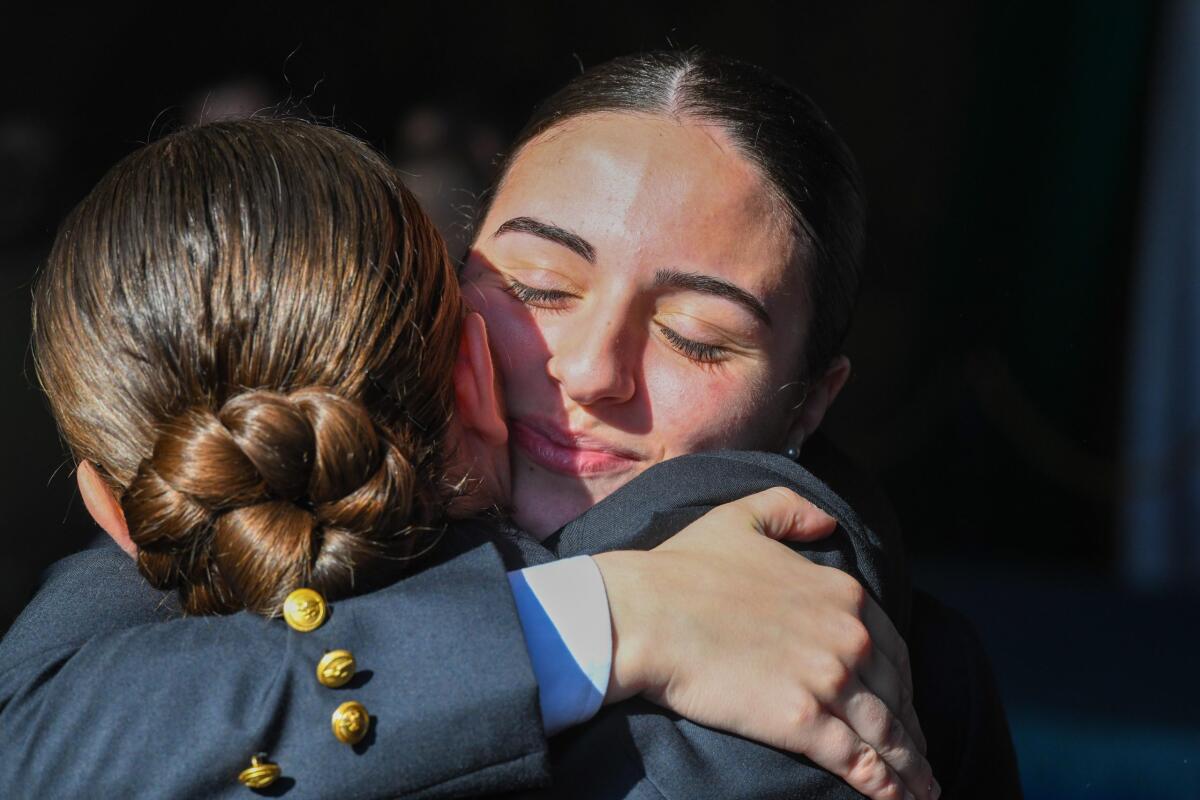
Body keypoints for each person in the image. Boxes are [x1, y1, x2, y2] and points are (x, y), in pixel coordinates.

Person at [1, 50, 1018, 797]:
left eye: (700, 337)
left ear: (811, 400)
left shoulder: (832, 656)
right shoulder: (255, 485)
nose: (588, 369)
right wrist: (605, 618)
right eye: (534, 285)